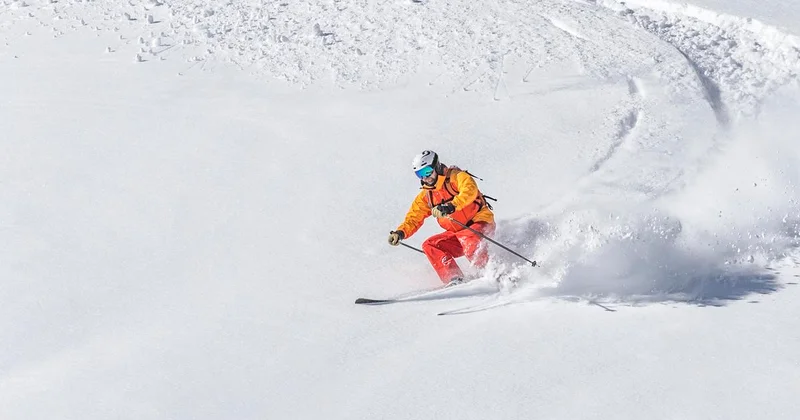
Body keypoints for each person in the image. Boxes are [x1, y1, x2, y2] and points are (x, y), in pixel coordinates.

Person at [388, 150, 496, 286]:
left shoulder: (457, 177)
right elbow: (414, 217)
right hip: (457, 233)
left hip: (479, 222)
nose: (425, 178)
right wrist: (401, 232)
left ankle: (491, 274)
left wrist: (451, 206)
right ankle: (455, 279)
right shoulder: (427, 195)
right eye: (419, 174)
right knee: (431, 245)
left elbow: (470, 191)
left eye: (427, 172)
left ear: (436, 166)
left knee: (469, 237)